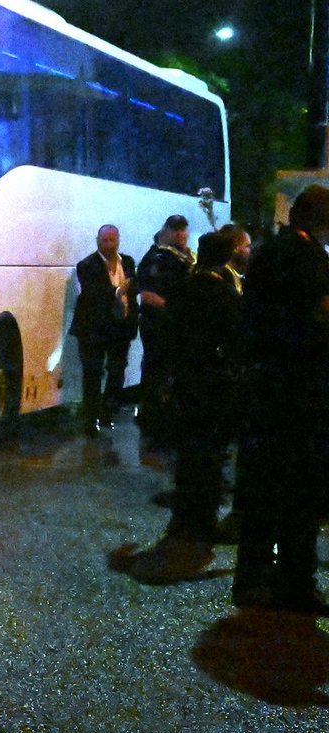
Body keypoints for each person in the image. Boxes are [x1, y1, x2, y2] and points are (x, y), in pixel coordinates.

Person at [109, 230, 241, 583]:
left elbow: (168, 335)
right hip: (213, 385)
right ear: (226, 258)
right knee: (211, 456)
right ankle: (202, 520)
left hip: (186, 384)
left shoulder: (184, 288)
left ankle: (185, 518)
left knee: (189, 455)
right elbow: (235, 339)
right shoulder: (224, 293)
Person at [231, 187, 329, 614]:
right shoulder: (308, 259)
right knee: (299, 492)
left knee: (261, 490)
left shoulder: (270, 252)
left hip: (265, 392)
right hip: (298, 395)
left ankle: (253, 577)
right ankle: (294, 581)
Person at [69, 224, 138, 436]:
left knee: (117, 371)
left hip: (120, 326)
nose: (108, 244)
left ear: (118, 240)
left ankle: (107, 412)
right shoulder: (87, 265)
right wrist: (118, 291)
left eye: (112, 240)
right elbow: (94, 293)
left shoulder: (127, 262)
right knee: (92, 373)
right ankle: (91, 419)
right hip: (94, 328)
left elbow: (133, 290)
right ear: (97, 241)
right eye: (104, 240)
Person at [135, 215, 195, 448]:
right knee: (156, 372)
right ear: (167, 231)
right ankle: (152, 423)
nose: (181, 234)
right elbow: (149, 296)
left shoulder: (183, 256)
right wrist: (175, 311)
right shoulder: (158, 258)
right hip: (160, 326)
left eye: (184, 230)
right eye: (176, 230)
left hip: (174, 326)